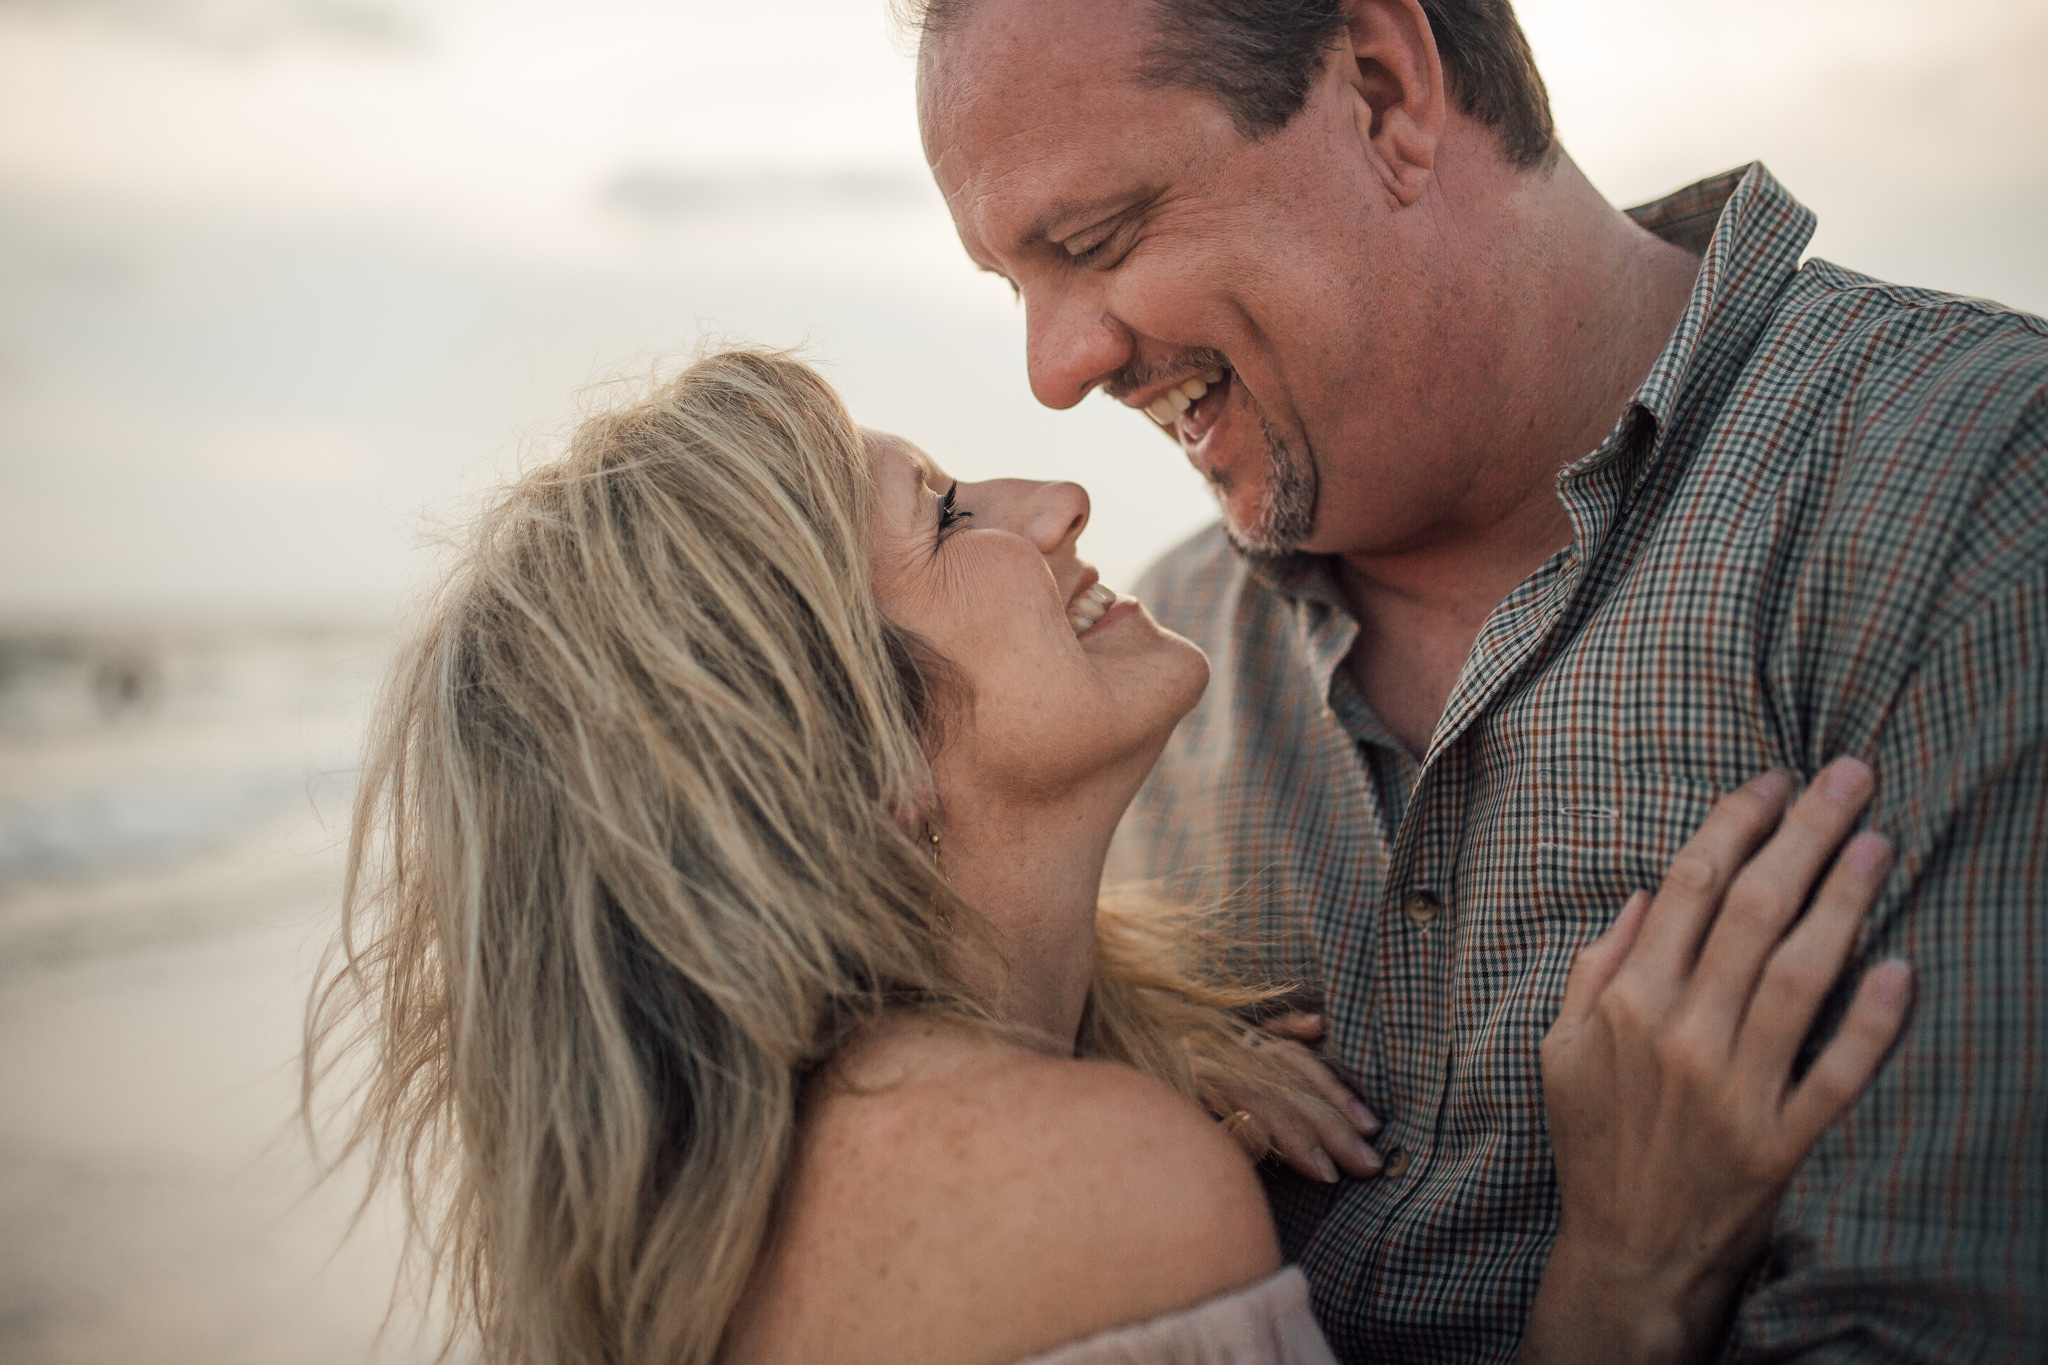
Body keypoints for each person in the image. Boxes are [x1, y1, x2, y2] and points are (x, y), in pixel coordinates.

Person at [307, 349, 1909, 1365]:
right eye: (943, 518)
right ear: (846, 753)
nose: (1064, 496)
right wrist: (1625, 1277)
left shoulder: (803, 1172)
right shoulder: (1074, 1191)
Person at [907, 0, 2048, 1359]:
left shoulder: (1971, 496)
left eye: (1096, 243)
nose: (1054, 369)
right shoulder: (1150, 674)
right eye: (1013, 286)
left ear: (1383, 92)